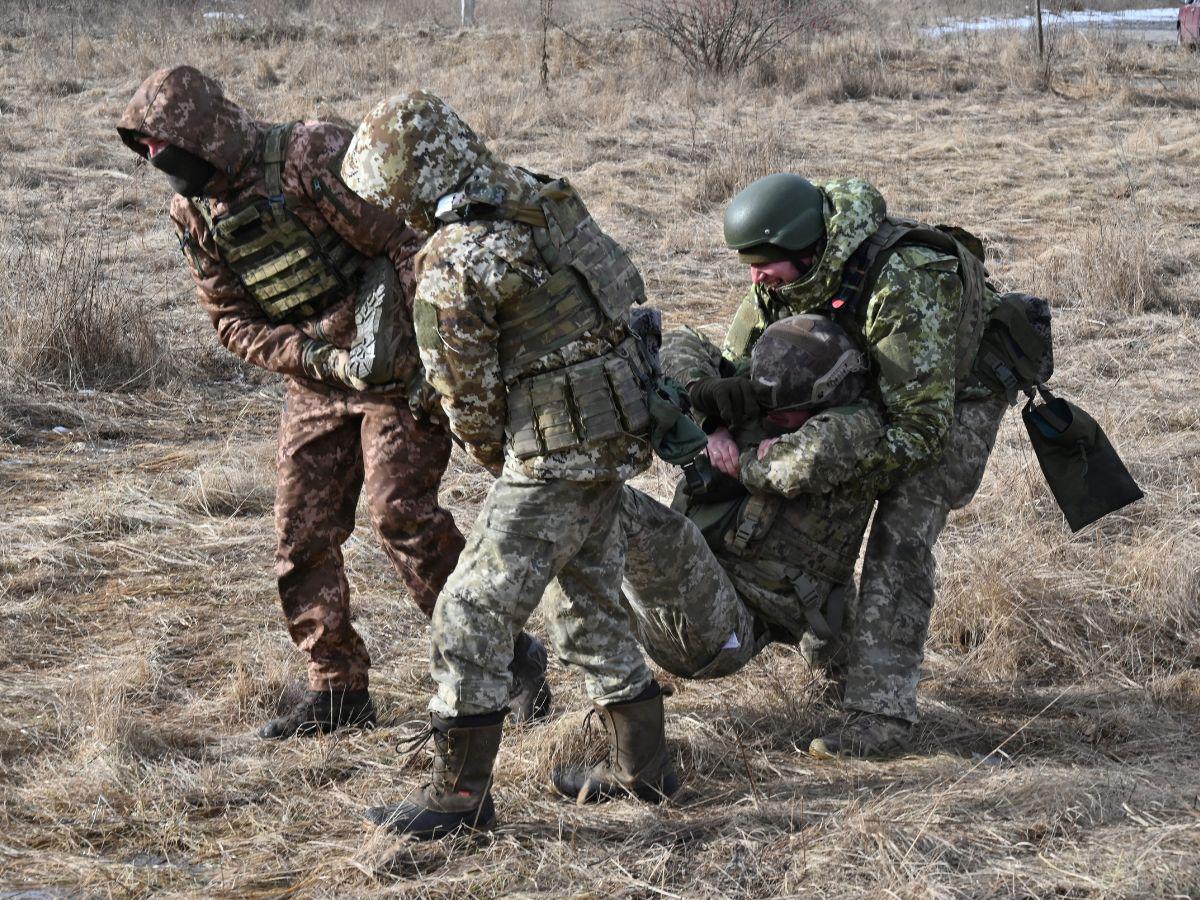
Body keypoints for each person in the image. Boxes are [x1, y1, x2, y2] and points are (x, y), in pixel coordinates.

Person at [116, 68, 549, 739]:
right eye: (144, 150)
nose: (155, 162)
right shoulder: (194, 212)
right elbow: (230, 320)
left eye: (162, 146)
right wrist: (317, 357)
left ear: (203, 132)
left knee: (401, 516)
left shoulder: (309, 155)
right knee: (301, 534)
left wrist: (419, 355)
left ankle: (506, 660)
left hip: (402, 367)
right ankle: (338, 691)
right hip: (319, 380)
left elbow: (411, 244)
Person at [339, 91, 678, 839]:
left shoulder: (454, 263)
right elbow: (622, 290)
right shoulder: (541, 196)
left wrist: (507, 459)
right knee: (588, 602)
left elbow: (466, 397)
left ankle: (458, 800)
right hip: (615, 431)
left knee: (469, 610)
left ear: (406, 185)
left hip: (553, 457)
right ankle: (645, 772)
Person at [709, 173, 1010, 758]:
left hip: (954, 396)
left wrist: (825, 466)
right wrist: (718, 420)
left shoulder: (904, 281)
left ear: (807, 251)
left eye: (765, 264)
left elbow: (921, 429)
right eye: (749, 265)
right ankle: (837, 663)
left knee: (901, 529)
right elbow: (736, 362)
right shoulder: (783, 277)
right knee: (814, 486)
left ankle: (882, 714)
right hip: (867, 385)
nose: (755, 278)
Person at [619, 315, 880, 689]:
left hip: (722, 629)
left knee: (621, 509)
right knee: (581, 511)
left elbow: (799, 462)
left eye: (783, 412)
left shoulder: (857, 425)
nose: (771, 416)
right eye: (765, 406)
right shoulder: (771, 392)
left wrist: (738, 461)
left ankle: (626, 700)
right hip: (681, 604)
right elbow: (677, 342)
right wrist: (708, 411)